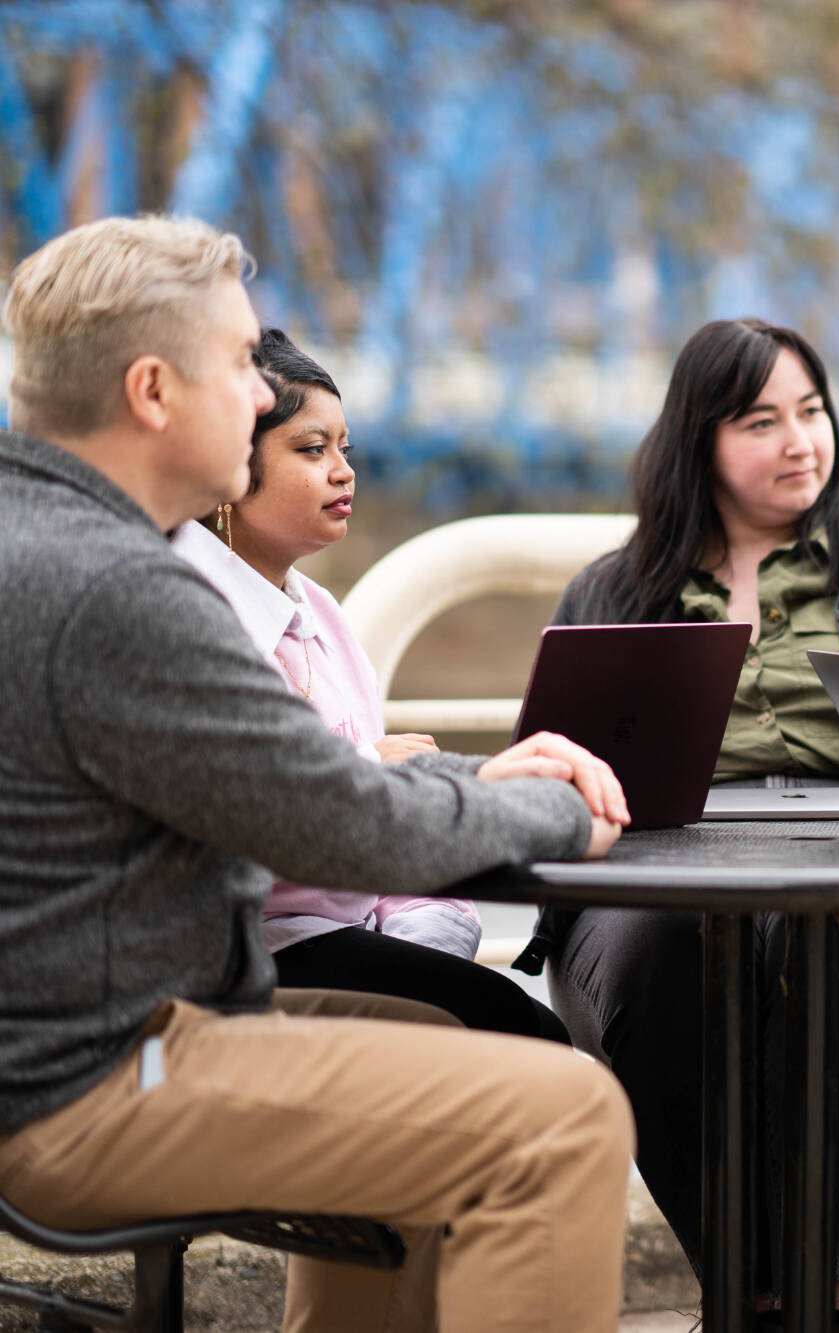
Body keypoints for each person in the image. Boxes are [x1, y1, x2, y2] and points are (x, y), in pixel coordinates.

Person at [0, 215, 638, 1333]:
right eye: (242, 363)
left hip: (88, 1034)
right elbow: (340, 822)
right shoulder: (118, 588)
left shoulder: (38, 534)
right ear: (153, 389)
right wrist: (544, 810)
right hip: (86, 1083)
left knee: (434, 1040)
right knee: (561, 1118)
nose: (260, 395)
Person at [512, 316, 839, 1311]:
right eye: (761, 420)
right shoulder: (615, 590)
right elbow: (549, 769)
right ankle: (763, 1294)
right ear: (697, 439)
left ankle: (820, 1294)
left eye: (813, 410)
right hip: (656, 889)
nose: (801, 440)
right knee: (676, 956)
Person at [170, 327, 569, 1043]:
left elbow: (392, 838)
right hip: (248, 953)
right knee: (527, 1033)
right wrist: (368, 777)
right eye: (310, 448)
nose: (343, 471)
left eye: (344, 448)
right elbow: (229, 815)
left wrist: (422, 935)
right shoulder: (183, 611)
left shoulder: (321, 615)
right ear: (233, 462)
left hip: (344, 934)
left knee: (517, 1024)